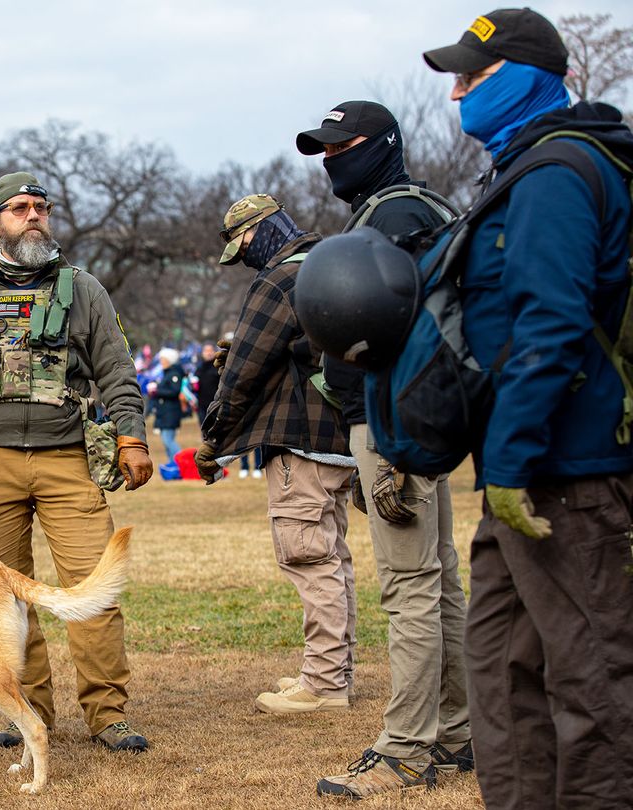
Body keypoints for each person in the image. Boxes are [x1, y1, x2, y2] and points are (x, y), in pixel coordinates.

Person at [421, 10, 633, 808]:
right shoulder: (522, 170)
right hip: (525, 471)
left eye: (470, 76)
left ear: (521, 75)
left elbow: (552, 323)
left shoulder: (556, 172)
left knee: (595, 680)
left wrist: (509, 461)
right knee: (503, 670)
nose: (455, 94)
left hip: (568, 474)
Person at [0, 171, 154, 752]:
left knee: (93, 587)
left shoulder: (85, 289)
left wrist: (132, 437)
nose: (34, 215)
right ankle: (27, 712)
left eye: (41, 207)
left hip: (67, 457)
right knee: (0, 596)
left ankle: (108, 714)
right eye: (19, 208)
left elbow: (117, 370)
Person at [295, 101, 470, 798]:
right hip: (414, 416)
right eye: (323, 149)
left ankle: (406, 748)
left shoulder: (394, 217)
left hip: (395, 418)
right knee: (439, 580)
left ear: (384, 144)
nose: (331, 158)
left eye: (343, 145)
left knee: (411, 588)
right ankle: (460, 736)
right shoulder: (415, 207)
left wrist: (392, 447)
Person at [194, 194, 356, 715]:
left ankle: (326, 684)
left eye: (243, 249)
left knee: (310, 559)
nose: (246, 263)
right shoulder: (334, 258)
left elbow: (243, 373)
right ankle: (332, 668)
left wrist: (213, 440)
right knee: (334, 558)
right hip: (343, 439)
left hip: (300, 441)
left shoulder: (279, 280)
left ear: (260, 232)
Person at [152, 349, 184, 464]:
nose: (161, 361)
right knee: (166, 441)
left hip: (171, 412)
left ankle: (182, 462)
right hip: (164, 413)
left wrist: (157, 391)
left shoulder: (174, 374)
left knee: (168, 440)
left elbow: (174, 391)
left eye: (163, 359)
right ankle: (172, 463)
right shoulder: (166, 374)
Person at [194, 342, 220, 426]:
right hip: (202, 405)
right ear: (202, 353)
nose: (208, 353)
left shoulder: (219, 367)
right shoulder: (199, 368)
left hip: (216, 405)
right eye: (206, 351)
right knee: (204, 430)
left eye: (211, 350)